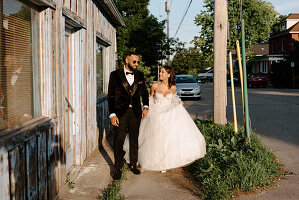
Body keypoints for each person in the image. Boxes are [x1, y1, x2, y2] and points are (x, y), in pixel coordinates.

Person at [124, 66, 206, 172]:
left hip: (168, 112)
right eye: (160, 72)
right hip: (156, 111)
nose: (160, 74)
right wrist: (146, 108)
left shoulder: (173, 87)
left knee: (169, 136)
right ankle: (152, 159)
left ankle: (165, 161)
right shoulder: (154, 86)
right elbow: (149, 99)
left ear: (169, 74)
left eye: (163, 72)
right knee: (154, 136)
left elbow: (174, 99)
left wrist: (178, 101)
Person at [108, 51, 149, 180]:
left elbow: (145, 93)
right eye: (134, 61)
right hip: (120, 112)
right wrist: (112, 114)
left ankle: (133, 165)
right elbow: (111, 96)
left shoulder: (140, 75)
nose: (136, 64)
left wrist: (146, 106)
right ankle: (118, 168)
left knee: (134, 139)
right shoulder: (115, 75)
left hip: (136, 112)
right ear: (127, 60)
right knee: (118, 140)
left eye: (138, 62)